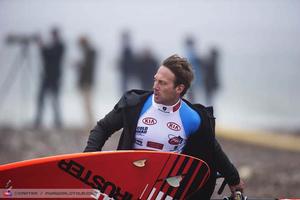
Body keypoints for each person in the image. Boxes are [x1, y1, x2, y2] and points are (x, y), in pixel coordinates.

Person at [84, 54, 244, 199]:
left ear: (179, 89)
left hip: (166, 190)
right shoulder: (135, 105)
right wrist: (88, 158)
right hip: (128, 183)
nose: (155, 86)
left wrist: (233, 179)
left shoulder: (193, 118)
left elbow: (212, 148)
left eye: (162, 83)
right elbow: (103, 128)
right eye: (155, 80)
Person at [34, 27, 65, 128]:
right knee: (41, 98)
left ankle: (57, 121)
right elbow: (45, 56)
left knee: (54, 100)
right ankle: (38, 120)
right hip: (46, 76)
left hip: (54, 77)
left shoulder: (60, 46)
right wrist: (42, 47)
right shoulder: (52, 46)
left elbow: (51, 55)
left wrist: (42, 46)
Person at [75, 36, 97, 128]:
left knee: (87, 103)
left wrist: (79, 66)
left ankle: (90, 123)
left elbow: (87, 68)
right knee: (87, 103)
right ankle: (89, 122)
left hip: (86, 81)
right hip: (87, 81)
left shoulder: (89, 53)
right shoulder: (89, 53)